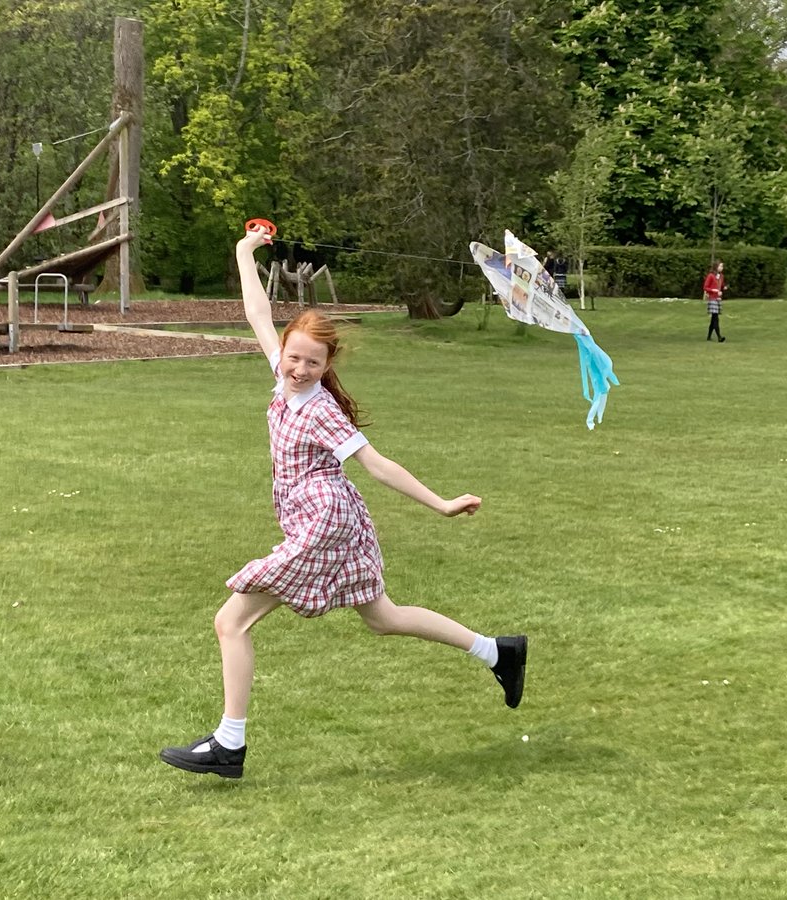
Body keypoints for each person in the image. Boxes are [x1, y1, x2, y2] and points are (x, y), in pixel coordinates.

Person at [159, 225, 528, 780]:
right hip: (337, 522)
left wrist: (441, 504)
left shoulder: (323, 410)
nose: (299, 368)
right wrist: (242, 251)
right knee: (383, 618)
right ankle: (499, 652)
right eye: (293, 357)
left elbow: (378, 465)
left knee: (231, 622)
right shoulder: (280, 375)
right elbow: (258, 312)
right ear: (283, 352)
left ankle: (228, 746)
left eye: (313, 363)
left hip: (326, 523)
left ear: (326, 365)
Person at [704, 260, 727, 343]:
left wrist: (724, 288)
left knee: (713, 319)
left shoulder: (721, 276)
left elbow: (721, 285)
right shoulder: (710, 276)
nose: (722, 268)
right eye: (720, 266)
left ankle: (709, 336)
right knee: (716, 318)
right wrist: (713, 290)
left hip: (718, 299)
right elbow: (705, 287)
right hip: (712, 298)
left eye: (722, 266)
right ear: (716, 267)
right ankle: (719, 337)